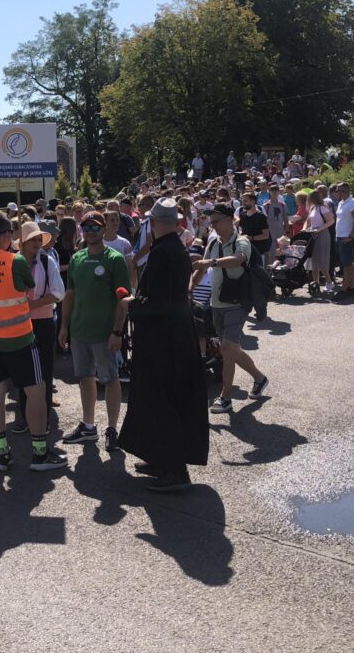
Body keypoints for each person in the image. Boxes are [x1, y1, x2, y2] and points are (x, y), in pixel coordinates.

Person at [0, 211, 68, 472]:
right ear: (7, 235)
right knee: (36, 392)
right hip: (19, 337)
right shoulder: (16, 261)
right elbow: (28, 288)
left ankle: (2, 454)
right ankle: (40, 453)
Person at [116, 198, 208, 492]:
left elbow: (157, 302)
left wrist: (131, 304)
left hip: (163, 339)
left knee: (163, 399)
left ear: (154, 224)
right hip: (173, 334)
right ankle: (161, 459)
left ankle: (175, 470)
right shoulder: (175, 249)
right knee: (158, 398)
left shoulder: (163, 253)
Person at [58, 211, 131, 451]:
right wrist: (64, 327)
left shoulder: (115, 259)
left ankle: (112, 428)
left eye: (94, 227)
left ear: (104, 230)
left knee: (110, 380)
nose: (89, 232)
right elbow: (70, 295)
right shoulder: (78, 259)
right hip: (79, 332)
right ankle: (88, 427)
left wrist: (117, 332)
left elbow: (123, 299)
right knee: (85, 378)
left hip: (105, 333)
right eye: (85, 227)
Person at [193, 204, 268, 414]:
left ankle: (225, 397)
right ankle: (259, 378)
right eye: (211, 221)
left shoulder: (241, 241)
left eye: (216, 221)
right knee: (231, 349)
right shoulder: (213, 243)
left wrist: (211, 262)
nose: (213, 225)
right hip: (217, 304)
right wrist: (191, 287)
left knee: (226, 349)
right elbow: (202, 268)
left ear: (229, 220)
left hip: (238, 302)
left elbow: (238, 259)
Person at [12, 221, 64, 432]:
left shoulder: (47, 260)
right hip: (19, 322)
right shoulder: (14, 262)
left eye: (38, 239)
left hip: (43, 322)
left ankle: (43, 418)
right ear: (22, 242)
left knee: (44, 369)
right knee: (22, 370)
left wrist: (32, 305)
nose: (36, 243)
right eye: (31, 239)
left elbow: (58, 293)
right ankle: (24, 416)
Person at [333, 182, 354, 297]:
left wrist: (350, 236)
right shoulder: (341, 202)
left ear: (345, 191)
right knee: (348, 263)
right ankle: (351, 287)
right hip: (340, 236)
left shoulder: (352, 203)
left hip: (347, 238)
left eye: (339, 190)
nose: (337, 193)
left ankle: (344, 289)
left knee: (346, 264)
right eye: (337, 191)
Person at [304, 190, 336, 293]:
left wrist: (319, 229)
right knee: (314, 260)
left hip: (322, 235)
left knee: (322, 260)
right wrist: (305, 228)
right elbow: (308, 221)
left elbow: (331, 221)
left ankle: (329, 282)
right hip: (313, 235)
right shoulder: (313, 208)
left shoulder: (323, 208)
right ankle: (315, 283)